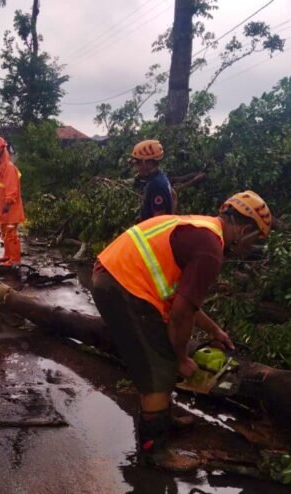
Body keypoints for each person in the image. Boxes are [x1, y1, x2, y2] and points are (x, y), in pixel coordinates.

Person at [91, 191, 273, 467]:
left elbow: (181, 298)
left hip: (115, 274)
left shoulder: (202, 227)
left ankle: (162, 417)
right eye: (254, 240)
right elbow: (180, 313)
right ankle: (154, 452)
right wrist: (181, 359)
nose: (250, 248)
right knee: (159, 366)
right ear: (245, 229)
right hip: (123, 284)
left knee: (159, 356)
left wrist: (215, 330)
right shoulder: (210, 249)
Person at [0, 136, 25, 266]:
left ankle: (14, 259)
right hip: (3, 209)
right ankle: (7, 255)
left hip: (10, 209)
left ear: (2, 150)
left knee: (11, 234)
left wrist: (7, 204)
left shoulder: (9, 168)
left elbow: (12, 189)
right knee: (5, 233)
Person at [131, 139, 176, 222]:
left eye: (138, 162)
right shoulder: (161, 176)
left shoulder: (156, 185)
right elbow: (174, 196)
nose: (136, 166)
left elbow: (159, 220)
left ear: (149, 163)